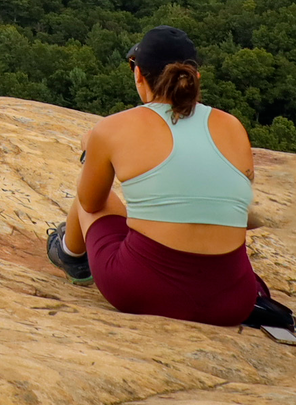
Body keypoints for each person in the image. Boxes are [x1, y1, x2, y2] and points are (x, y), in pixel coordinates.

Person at [46, 25, 263, 326]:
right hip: (232, 301)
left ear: (138, 74)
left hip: (143, 290)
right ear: (195, 78)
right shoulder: (233, 128)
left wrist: (91, 153)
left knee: (96, 198)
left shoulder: (112, 128)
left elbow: (90, 200)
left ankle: (70, 257)